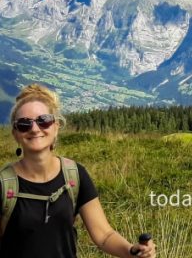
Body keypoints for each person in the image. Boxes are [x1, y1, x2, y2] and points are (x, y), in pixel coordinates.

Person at [0, 84, 156, 257]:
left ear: (56, 126)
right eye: (24, 124)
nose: (35, 129)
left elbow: (104, 235)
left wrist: (132, 251)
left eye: (43, 120)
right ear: (15, 133)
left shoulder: (74, 175)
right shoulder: (4, 185)